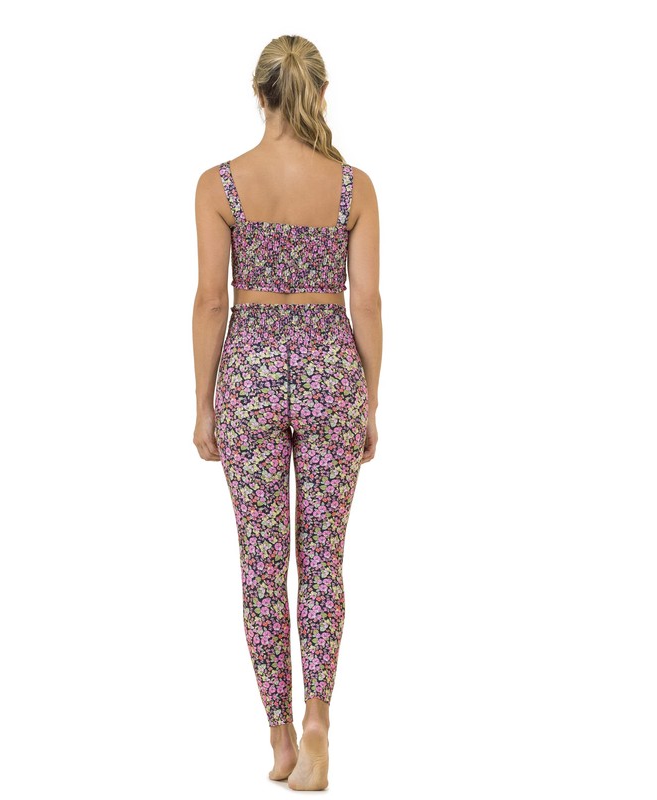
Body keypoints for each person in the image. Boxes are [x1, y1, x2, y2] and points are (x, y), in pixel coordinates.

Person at [192, 34, 382, 791]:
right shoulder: (353, 188)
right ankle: (318, 720)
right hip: (333, 369)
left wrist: (203, 404)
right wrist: (370, 400)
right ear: (321, 95)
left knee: (262, 561)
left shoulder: (220, 185)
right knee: (323, 559)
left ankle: (277, 738)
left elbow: (212, 301)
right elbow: (367, 303)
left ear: (258, 94)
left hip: (250, 375)